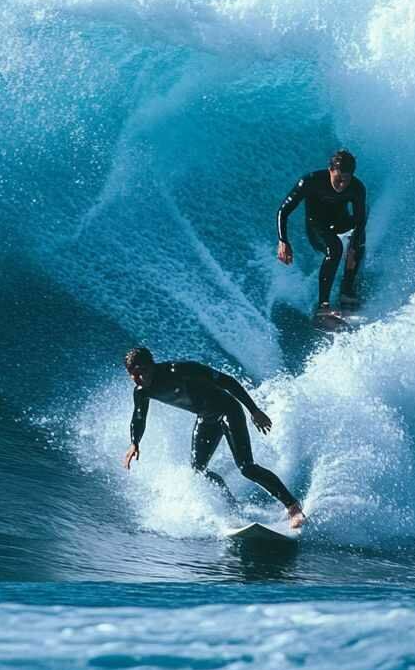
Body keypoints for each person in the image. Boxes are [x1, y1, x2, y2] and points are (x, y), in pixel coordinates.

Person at [122, 347, 305, 529]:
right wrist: (134, 442)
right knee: (198, 471)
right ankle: (233, 509)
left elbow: (228, 382)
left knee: (246, 467)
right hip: (206, 417)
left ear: (151, 365)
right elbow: (139, 417)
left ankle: (293, 507)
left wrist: (254, 410)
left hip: (228, 410)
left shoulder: (179, 370)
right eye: (132, 374)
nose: (137, 379)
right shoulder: (141, 391)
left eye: (141, 372)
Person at [276, 148, 367, 316]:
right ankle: (323, 307)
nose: (342, 185)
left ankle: (346, 290)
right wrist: (283, 240)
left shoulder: (356, 187)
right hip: (317, 227)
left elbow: (360, 219)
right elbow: (283, 210)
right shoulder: (310, 181)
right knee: (335, 249)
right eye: (338, 178)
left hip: (340, 222)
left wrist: (354, 247)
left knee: (359, 240)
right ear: (330, 170)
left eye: (346, 180)